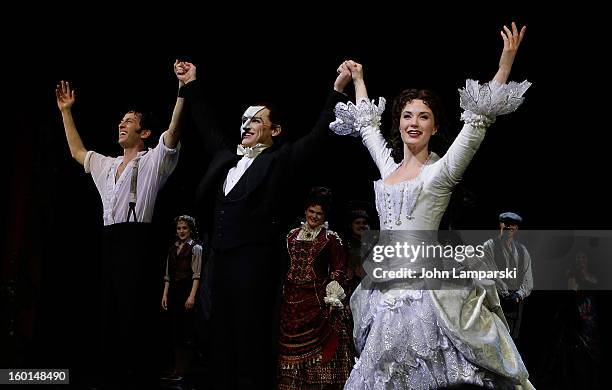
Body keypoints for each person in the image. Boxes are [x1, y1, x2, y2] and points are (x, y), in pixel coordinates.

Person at [330, 23, 534, 388]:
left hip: (426, 290)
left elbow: (475, 125)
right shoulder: (389, 168)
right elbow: (366, 127)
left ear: (435, 126)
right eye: (407, 115)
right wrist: (359, 79)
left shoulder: (439, 172)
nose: (414, 122)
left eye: (423, 116)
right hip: (386, 287)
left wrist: (505, 64)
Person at [177, 61, 352, 388]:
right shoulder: (227, 156)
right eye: (244, 120)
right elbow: (205, 124)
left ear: (275, 130)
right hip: (220, 261)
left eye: (256, 120)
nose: (246, 125)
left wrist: (337, 90)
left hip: (254, 264)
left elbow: (316, 138)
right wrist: (191, 83)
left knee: (249, 336)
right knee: (219, 334)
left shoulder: (279, 159)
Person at [55, 61, 188, 385]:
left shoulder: (154, 159)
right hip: (110, 240)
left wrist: (183, 91)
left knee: (133, 316)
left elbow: (172, 133)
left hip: (137, 241)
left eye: (129, 121)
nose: (121, 124)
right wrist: (66, 111)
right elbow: (77, 151)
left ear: (144, 133)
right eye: (121, 120)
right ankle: (110, 374)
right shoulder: (106, 164)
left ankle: (136, 375)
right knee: (108, 313)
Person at [277, 187, 354, 389]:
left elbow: (338, 269)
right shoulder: (291, 236)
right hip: (291, 299)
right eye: (311, 212)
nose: (314, 216)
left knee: (321, 345)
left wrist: (332, 296)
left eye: (319, 214)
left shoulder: (330, 238)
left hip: (317, 301)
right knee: (289, 347)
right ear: (305, 211)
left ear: (324, 216)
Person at [161, 215, 203, 383]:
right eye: (179, 228)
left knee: (186, 330)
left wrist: (191, 296)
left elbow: (197, 275)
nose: (181, 231)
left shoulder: (196, 248)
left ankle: (184, 370)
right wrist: (164, 294)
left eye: (184, 228)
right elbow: (168, 275)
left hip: (187, 290)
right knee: (175, 330)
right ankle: (176, 369)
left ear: (190, 229)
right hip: (174, 292)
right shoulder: (173, 248)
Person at [481, 212, 533, 340]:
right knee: (491, 337)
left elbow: (528, 280)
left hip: (515, 304)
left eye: (513, 225)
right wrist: (505, 293)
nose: (509, 228)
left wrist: (518, 295)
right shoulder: (489, 246)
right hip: (495, 300)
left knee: (510, 340)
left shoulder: (522, 251)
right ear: (501, 225)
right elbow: (491, 273)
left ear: (517, 228)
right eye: (506, 224)